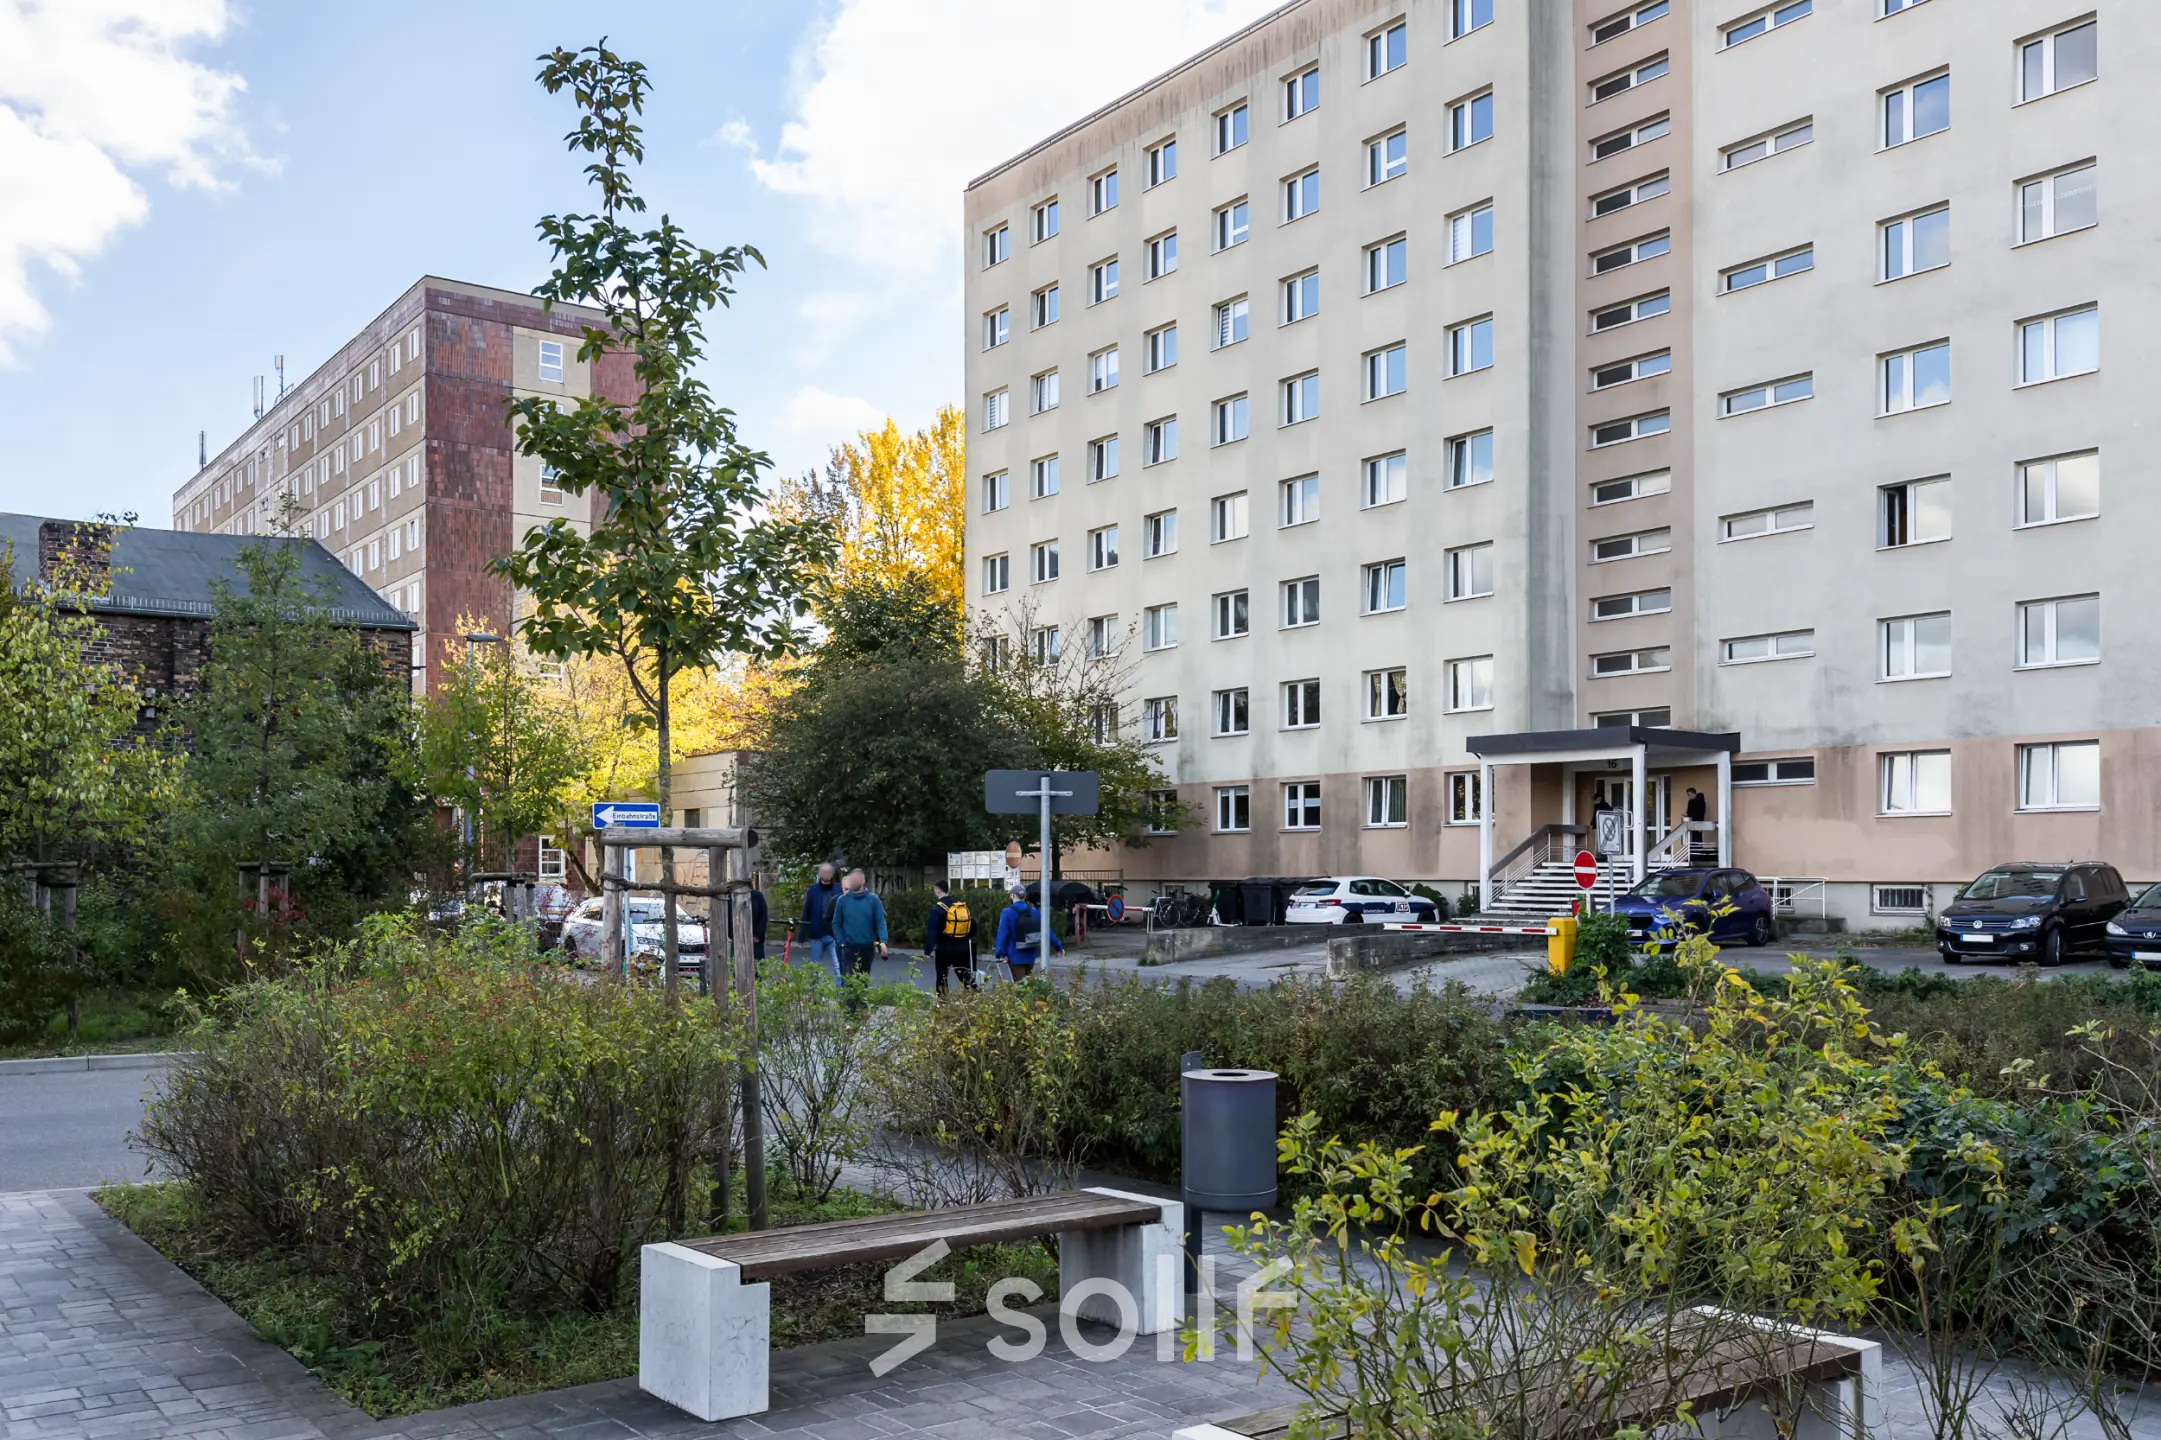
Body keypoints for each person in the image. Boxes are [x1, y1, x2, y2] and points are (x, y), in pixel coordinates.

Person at [830, 869, 888, 987]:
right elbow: (836, 923)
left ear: (862, 881)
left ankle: (861, 1004)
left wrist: (883, 941)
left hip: (867, 947)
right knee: (849, 982)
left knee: (863, 981)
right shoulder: (842, 900)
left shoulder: (873, 900)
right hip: (849, 947)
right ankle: (850, 1005)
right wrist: (842, 941)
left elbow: (881, 922)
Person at [994, 883, 1061, 981]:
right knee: (1029, 985)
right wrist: (1057, 946)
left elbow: (1003, 935)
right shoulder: (1034, 911)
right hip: (1031, 956)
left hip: (1015, 956)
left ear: (1012, 896)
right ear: (1024, 896)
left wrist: (1001, 953)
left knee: (1020, 989)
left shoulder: (1007, 912)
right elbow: (1047, 929)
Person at [923, 880, 980, 995]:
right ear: (948, 890)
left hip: (945, 949)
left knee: (942, 977)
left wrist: (927, 951)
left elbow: (932, 931)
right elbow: (973, 922)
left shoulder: (937, 909)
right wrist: (968, 937)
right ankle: (976, 1000)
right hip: (962, 948)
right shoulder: (959, 907)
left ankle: (943, 1003)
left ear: (937, 891)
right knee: (966, 977)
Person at [797, 863, 844, 980]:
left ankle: (841, 995)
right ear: (819, 873)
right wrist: (802, 934)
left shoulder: (839, 888)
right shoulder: (812, 890)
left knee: (838, 966)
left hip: (834, 935)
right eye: (824, 871)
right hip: (816, 934)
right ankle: (814, 996)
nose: (826, 874)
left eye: (829, 871)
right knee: (814, 967)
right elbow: (806, 911)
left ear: (832, 874)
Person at [1684, 787, 1709, 862]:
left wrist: (1688, 814)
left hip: (1698, 823)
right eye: (1688, 795)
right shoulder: (1691, 802)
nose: (1689, 797)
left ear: (1694, 794)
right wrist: (1687, 814)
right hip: (1692, 823)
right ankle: (1693, 856)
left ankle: (1698, 856)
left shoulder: (1700, 801)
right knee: (1693, 839)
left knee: (1697, 839)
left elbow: (1699, 813)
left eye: (1690, 795)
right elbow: (1689, 811)